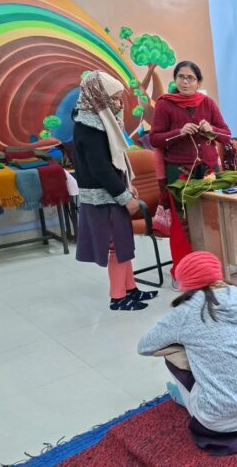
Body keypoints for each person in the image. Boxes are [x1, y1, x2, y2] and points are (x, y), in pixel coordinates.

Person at [137, 251, 237, 455]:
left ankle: (186, 398)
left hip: (221, 420)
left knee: (173, 356)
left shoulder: (184, 311)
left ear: (185, 282)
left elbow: (145, 346)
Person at [72, 70, 157, 311]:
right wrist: (124, 197)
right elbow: (101, 169)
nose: (119, 104)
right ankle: (118, 297)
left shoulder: (103, 121)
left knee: (123, 244)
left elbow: (117, 160)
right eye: (115, 99)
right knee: (116, 247)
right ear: (98, 97)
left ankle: (131, 289)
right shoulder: (89, 127)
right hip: (104, 198)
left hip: (115, 193)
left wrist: (128, 186)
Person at [150, 61, 232, 280]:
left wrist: (211, 129)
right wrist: (179, 132)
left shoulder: (208, 103)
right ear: (175, 79)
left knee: (211, 220)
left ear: (199, 82)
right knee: (184, 223)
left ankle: (212, 269)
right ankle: (186, 273)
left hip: (208, 171)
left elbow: (226, 135)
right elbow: (154, 138)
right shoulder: (165, 104)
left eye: (190, 78)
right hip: (179, 173)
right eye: (181, 77)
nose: (185, 82)